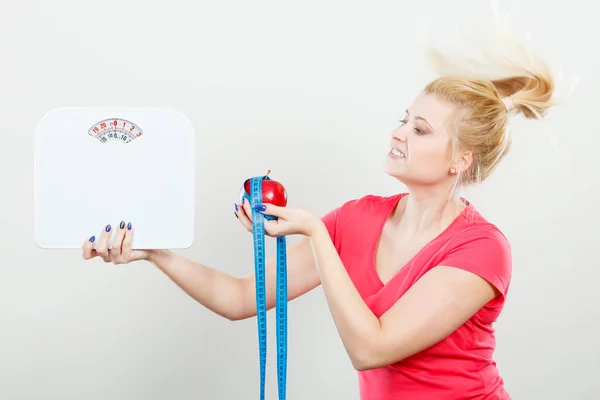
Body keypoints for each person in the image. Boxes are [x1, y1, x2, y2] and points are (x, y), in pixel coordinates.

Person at [81, 34, 555, 399]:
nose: (397, 133)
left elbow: (370, 349)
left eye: (419, 129)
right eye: (403, 118)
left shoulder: (481, 250)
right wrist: (155, 252)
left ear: (460, 161)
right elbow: (239, 297)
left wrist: (314, 232)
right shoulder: (357, 220)